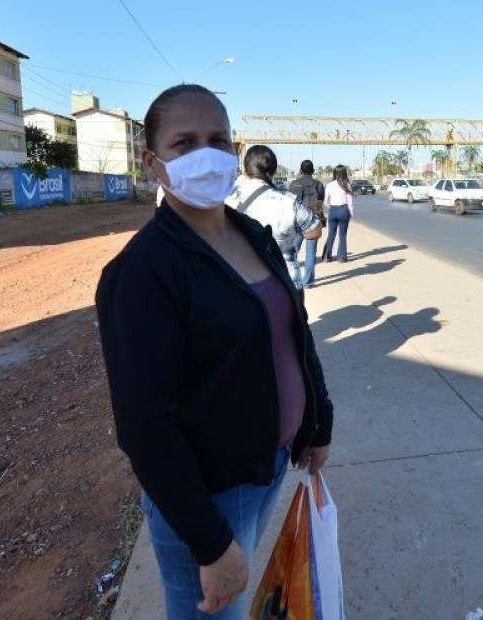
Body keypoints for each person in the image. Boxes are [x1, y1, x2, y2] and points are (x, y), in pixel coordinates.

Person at [95, 84, 334, 619]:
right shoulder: (142, 272)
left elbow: (293, 333)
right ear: (152, 162)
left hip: (266, 466)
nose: (205, 153)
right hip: (208, 495)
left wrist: (318, 423)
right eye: (185, 143)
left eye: (218, 140)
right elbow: (144, 426)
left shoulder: (251, 233)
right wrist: (209, 542)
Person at [225, 146, 321, 288]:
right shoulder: (288, 201)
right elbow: (315, 230)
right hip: (285, 279)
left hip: (240, 281)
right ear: (274, 170)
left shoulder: (226, 197)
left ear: (246, 169)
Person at [289, 160, 325, 287]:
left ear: (301, 170)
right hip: (313, 222)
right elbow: (320, 204)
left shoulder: (294, 184)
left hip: (297, 223)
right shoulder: (319, 184)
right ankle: (308, 282)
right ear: (313, 170)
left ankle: (291, 278)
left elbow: (290, 205)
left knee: (292, 251)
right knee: (311, 253)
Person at [322, 165, 354, 262]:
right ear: (344, 173)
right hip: (343, 210)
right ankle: (342, 257)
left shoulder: (329, 185)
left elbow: (325, 201)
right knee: (342, 235)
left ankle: (327, 256)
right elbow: (350, 201)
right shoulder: (347, 184)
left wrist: (329, 208)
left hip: (333, 210)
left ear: (335, 173)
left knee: (331, 234)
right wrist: (351, 213)